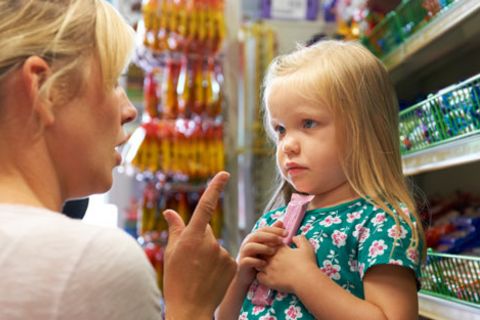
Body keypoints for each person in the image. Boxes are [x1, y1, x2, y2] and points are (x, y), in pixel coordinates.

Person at [0, 0, 235, 319]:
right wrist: (191, 306)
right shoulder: (90, 263)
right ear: (44, 89)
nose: (129, 111)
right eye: (112, 82)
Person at [216, 40, 425, 320]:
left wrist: (304, 279)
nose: (287, 145)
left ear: (363, 129)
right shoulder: (272, 222)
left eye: (308, 124)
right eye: (280, 129)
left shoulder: (383, 223)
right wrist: (241, 275)